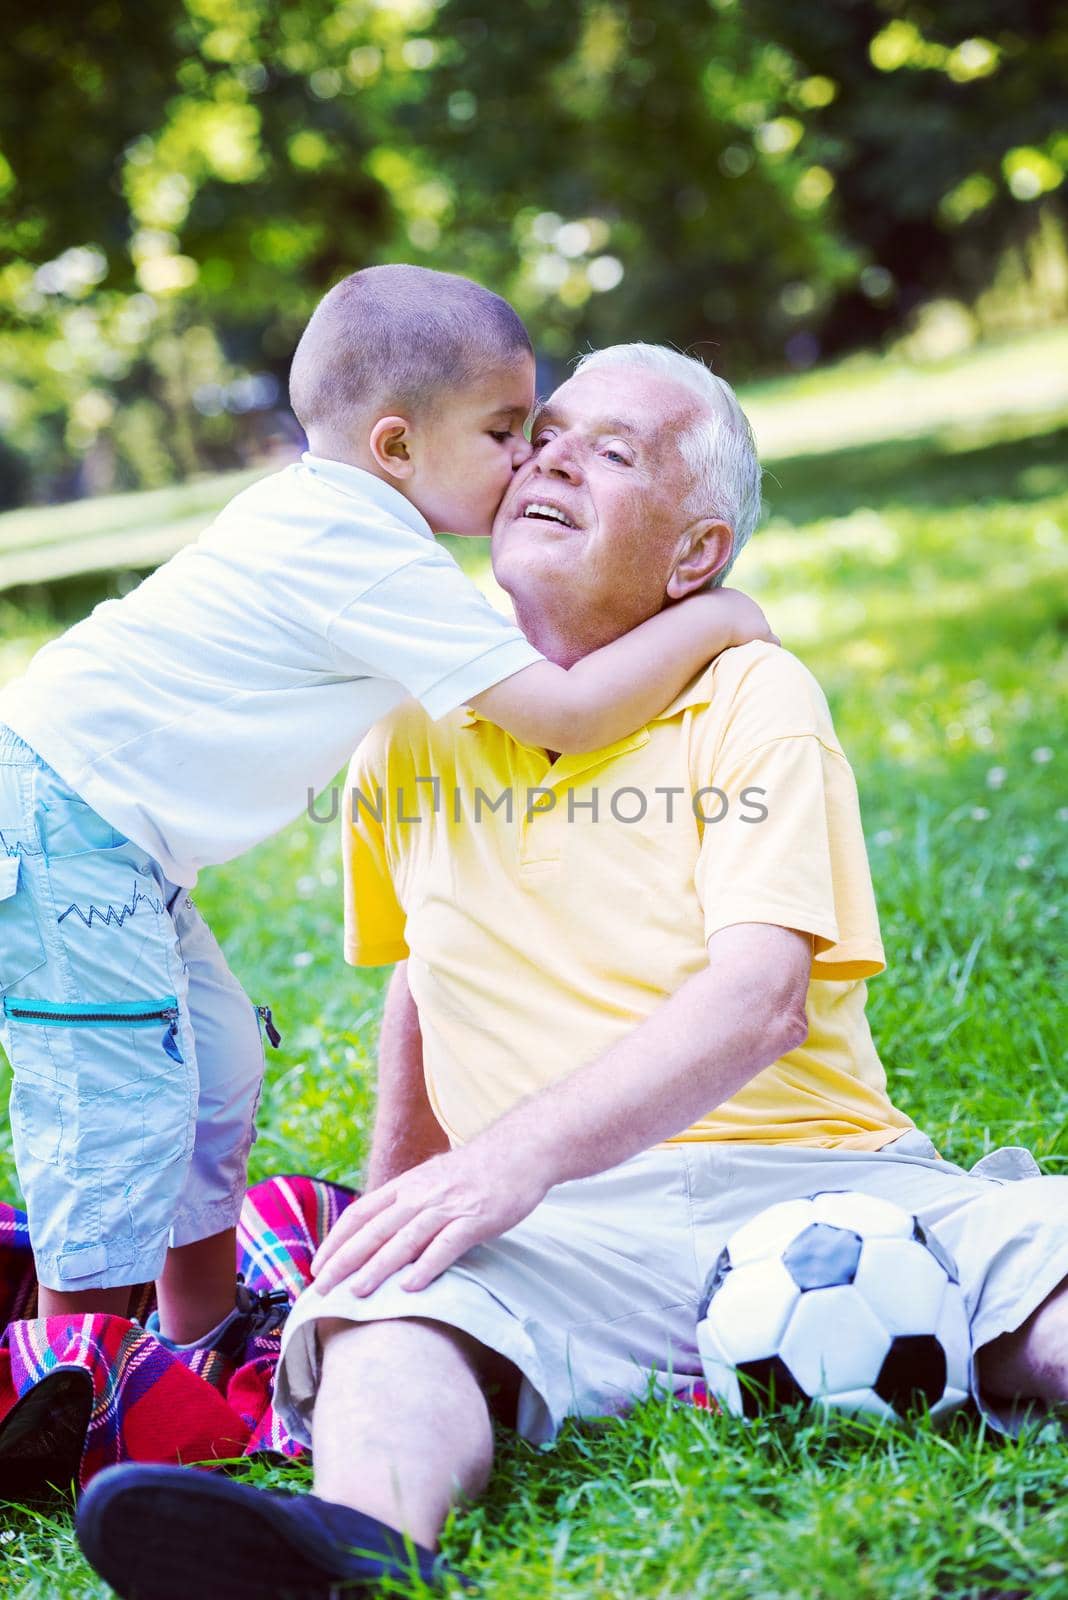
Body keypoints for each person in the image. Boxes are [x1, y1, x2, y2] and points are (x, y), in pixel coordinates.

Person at [76, 344, 1068, 1600]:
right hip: (562, 1231)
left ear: (696, 556)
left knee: (1041, 1253)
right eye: (543, 434)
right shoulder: (412, 715)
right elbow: (423, 987)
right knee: (386, 1322)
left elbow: (760, 998)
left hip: (822, 1179)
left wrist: (508, 1158)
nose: (550, 456)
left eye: (614, 451)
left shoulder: (750, 690)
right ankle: (360, 1551)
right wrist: (389, 1219)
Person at [0, 273, 773, 1349]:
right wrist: (720, 618)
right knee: (116, 1098)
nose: (527, 460)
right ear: (399, 447)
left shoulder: (334, 518)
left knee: (218, 1065)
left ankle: (201, 1333)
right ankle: (68, 1379)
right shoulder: (362, 552)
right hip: (58, 829)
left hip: (104, 836)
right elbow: (563, 714)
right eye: (508, 431)